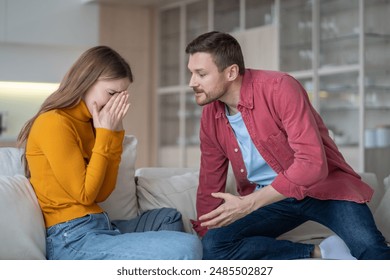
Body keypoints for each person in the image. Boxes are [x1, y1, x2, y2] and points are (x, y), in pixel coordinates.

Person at [185, 31, 390, 260]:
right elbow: (209, 183)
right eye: (191, 73)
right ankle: (319, 252)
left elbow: (311, 163)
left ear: (231, 72)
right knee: (214, 246)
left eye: (200, 74)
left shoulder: (279, 87)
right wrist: (206, 232)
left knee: (372, 249)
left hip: (324, 188)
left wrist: (249, 203)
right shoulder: (210, 116)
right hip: (274, 200)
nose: (191, 82)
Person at [17, 46, 202, 260]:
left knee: (167, 218)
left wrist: (114, 134)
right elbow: (85, 195)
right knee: (187, 246)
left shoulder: (90, 124)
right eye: (111, 94)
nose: (114, 103)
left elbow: (102, 193)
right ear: (86, 81)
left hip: (101, 226)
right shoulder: (54, 122)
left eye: (120, 96)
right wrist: (106, 134)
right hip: (72, 238)